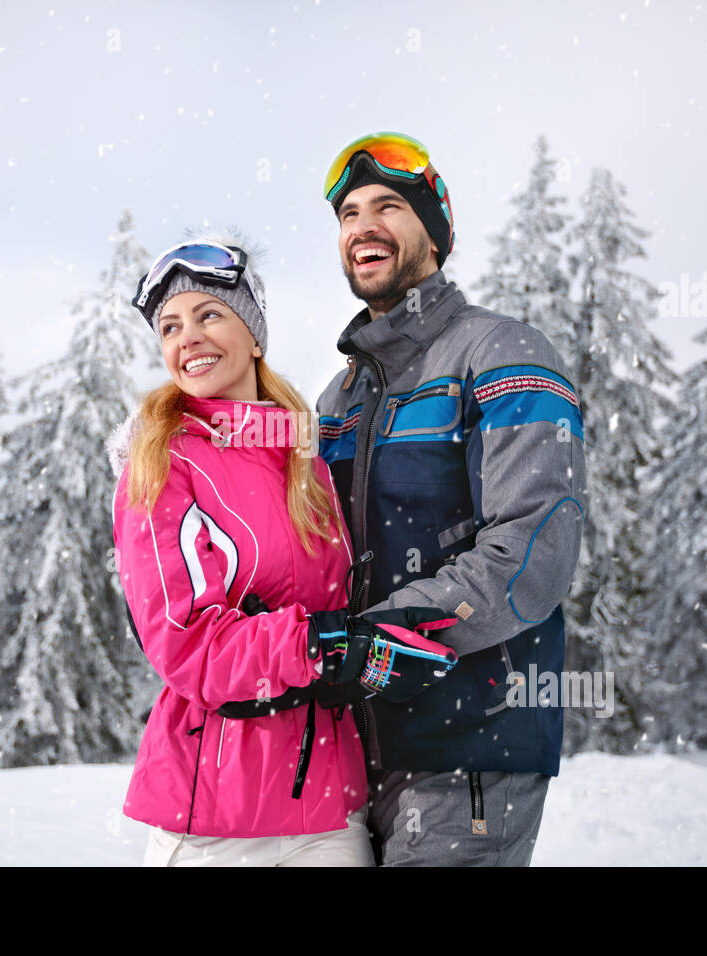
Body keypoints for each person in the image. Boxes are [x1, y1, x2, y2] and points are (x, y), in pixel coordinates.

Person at [109, 230, 461, 866]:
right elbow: (188, 645)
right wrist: (325, 646)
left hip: (329, 815)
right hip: (212, 823)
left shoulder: (307, 462)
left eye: (209, 314)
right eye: (169, 326)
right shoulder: (162, 464)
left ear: (253, 333)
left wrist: (413, 627)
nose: (187, 337)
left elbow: (348, 604)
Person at [315, 132, 589, 866]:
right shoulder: (338, 398)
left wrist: (380, 634)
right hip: (350, 755)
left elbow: (534, 547)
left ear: (433, 237)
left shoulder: (503, 355)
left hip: (470, 744)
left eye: (389, 207)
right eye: (348, 213)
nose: (362, 226)